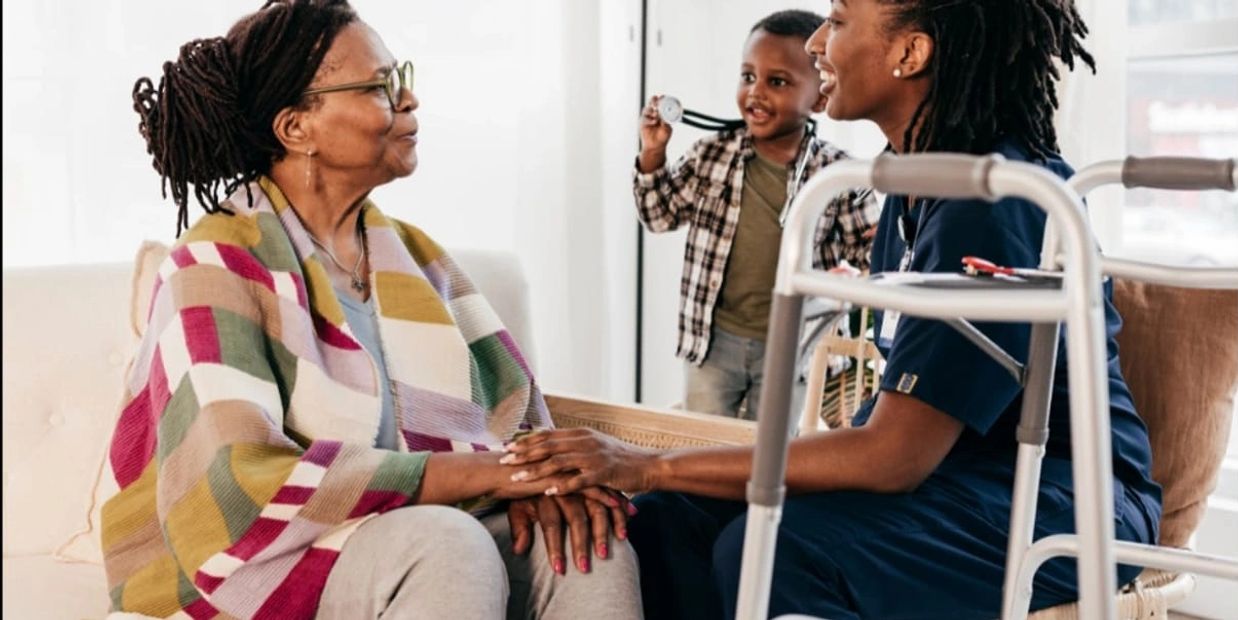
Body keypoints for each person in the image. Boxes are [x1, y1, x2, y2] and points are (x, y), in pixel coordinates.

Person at [502, 1, 1162, 618]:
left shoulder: (993, 203)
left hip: (1067, 505)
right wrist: (656, 478)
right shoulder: (909, 184)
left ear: (911, 52)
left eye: (840, 21)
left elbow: (893, 456)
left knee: (773, 545)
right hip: (951, 481)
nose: (819, 42)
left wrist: (646, 459)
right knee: (670, 517)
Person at [100, 1, 640, 618]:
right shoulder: (215, 265)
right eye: (381, 85)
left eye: (401, 76)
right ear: (296, 127)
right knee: (444, 540)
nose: (408, 100)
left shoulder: (417, 258)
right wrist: (489, 475)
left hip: (399, 539)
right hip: (259, 563)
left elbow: (517, 423)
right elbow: (234, 484)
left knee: (586, 540)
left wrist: (541, 483)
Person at [634, 9, 877, 420]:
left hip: (793, 346)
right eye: (748, 77)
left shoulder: (840, 176)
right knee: (705, 448)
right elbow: (659, 216)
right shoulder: (712, 153)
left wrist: (848, 286)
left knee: (770, 456)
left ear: (819, 98)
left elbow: (872, 262)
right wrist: (653, 153)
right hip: (712, 343)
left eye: (777, 82)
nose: (756, 93)